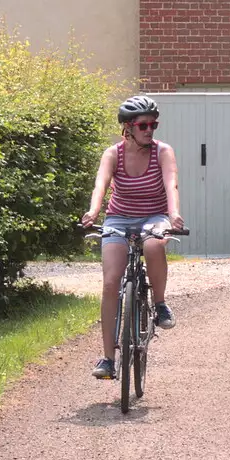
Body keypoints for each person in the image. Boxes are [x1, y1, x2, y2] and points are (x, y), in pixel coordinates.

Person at [80, 95, 184, 380]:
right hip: (119, 218)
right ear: (128, 128)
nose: (149, 130)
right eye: (143, 125)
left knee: (153, 245)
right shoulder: (112, 154)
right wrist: (93, 211)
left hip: (155, 216)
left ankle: (160, 304)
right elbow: (101, 185)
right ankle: (108, 359)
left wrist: (174, 215)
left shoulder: (163, 152)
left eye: (154, 124)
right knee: (111, 282)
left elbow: (170, 184)